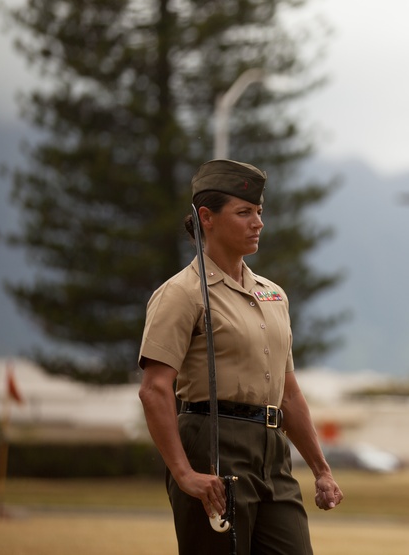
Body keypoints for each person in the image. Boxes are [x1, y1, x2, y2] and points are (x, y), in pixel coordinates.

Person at [138, 159, 343, 555]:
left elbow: (289, 394)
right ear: (207, 218)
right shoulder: (181, 293)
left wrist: (322, 470)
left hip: (273, 453)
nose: (258, 223)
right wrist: (184, 474)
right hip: (212, 444)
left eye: (259, 212)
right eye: (244, 212)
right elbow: (154, 390)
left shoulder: (273, 295)